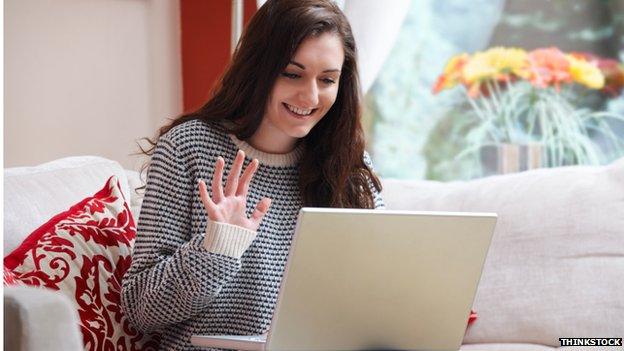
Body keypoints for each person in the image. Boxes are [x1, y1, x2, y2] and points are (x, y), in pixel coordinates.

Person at [121, 0, 384, 349]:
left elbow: (375, 290)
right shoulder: (189, 147)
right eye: (292, 74)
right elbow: (141, 310)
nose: (310, 95)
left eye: (327, 80)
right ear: (259, 68)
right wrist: (217, 248)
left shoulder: (348, 165)